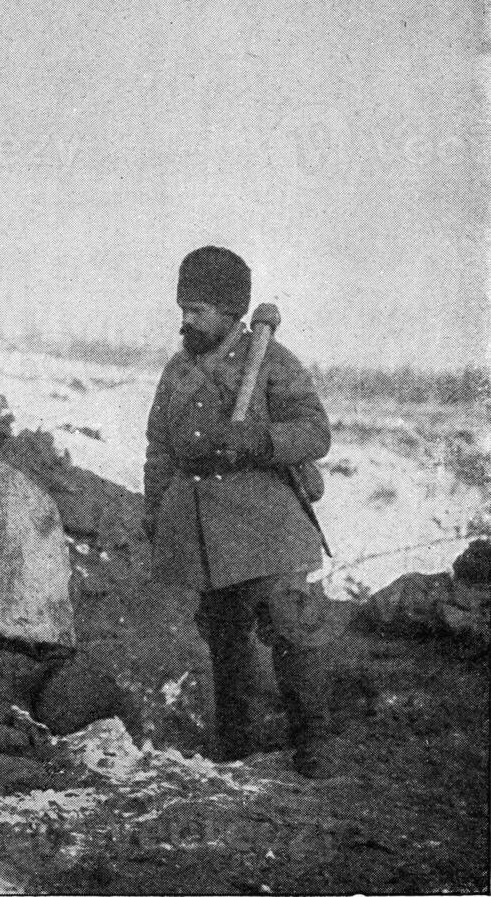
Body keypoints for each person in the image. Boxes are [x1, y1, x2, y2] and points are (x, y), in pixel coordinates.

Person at [142, 245, 337, 778]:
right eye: (183, 307)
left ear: (232, 312)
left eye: (199, 309)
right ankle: (237, 749)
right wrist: (156, 514)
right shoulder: (176, 373)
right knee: (225, 641)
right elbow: (159, 450)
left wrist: (256, 439)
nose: (186, 320)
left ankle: (313, 743)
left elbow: (316, 433)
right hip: (202, 528)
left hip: (268, 522)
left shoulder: (271, 360)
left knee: (293, 625)